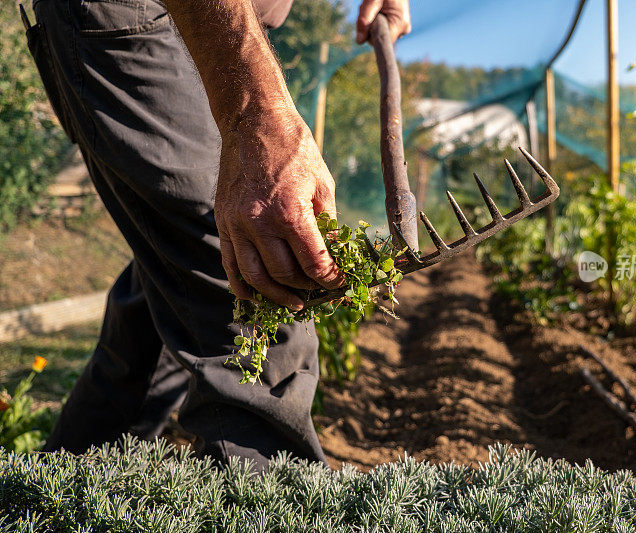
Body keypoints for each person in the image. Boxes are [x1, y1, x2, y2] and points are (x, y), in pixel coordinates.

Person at [26, 0, 410, 468]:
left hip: (202, 26)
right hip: (159, 14)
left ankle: (53, 498)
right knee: (254, 288)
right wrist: (257, 112)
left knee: (170, 294)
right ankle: (266, 508)